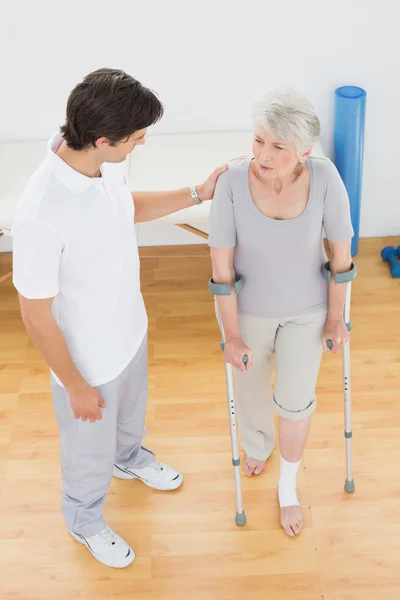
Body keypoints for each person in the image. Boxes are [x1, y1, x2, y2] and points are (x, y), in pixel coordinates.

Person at [11, 68, 226, 568]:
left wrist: (199, 192)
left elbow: (121, 208)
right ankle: (83, 519)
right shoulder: (40, 213)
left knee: (130, 421)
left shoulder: (102, 163)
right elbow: (35, 314)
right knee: (88, 453)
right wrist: (75, 384)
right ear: (103, 139)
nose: (142, 143)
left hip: (129, 328)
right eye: (136, 138)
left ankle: (128, 459)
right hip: (88, 362)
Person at [208, 87, 354, 538]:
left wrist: (335, 319)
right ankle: (257, 444)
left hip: (307, 313)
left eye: (277, 146)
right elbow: (221, 269)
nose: (262, 154)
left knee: (295, 401)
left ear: (303, 152)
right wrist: (232, 336)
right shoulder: (233, 182)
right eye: (258, 140)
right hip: (247, 312)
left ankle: (287, 487)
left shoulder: (326, 177)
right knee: (250, 395)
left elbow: (341, 258)